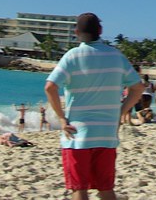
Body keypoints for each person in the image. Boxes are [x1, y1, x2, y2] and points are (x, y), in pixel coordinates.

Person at [45, 13, 144, 200]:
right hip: (106, 134)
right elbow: (138, 87)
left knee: (79, 189)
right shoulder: (116, 56)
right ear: (100, 31)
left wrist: (61, 118)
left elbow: (50, 87)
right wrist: (121, 112)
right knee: (106, 189)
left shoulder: (72, 56)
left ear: (76, 32)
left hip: (77, 134)